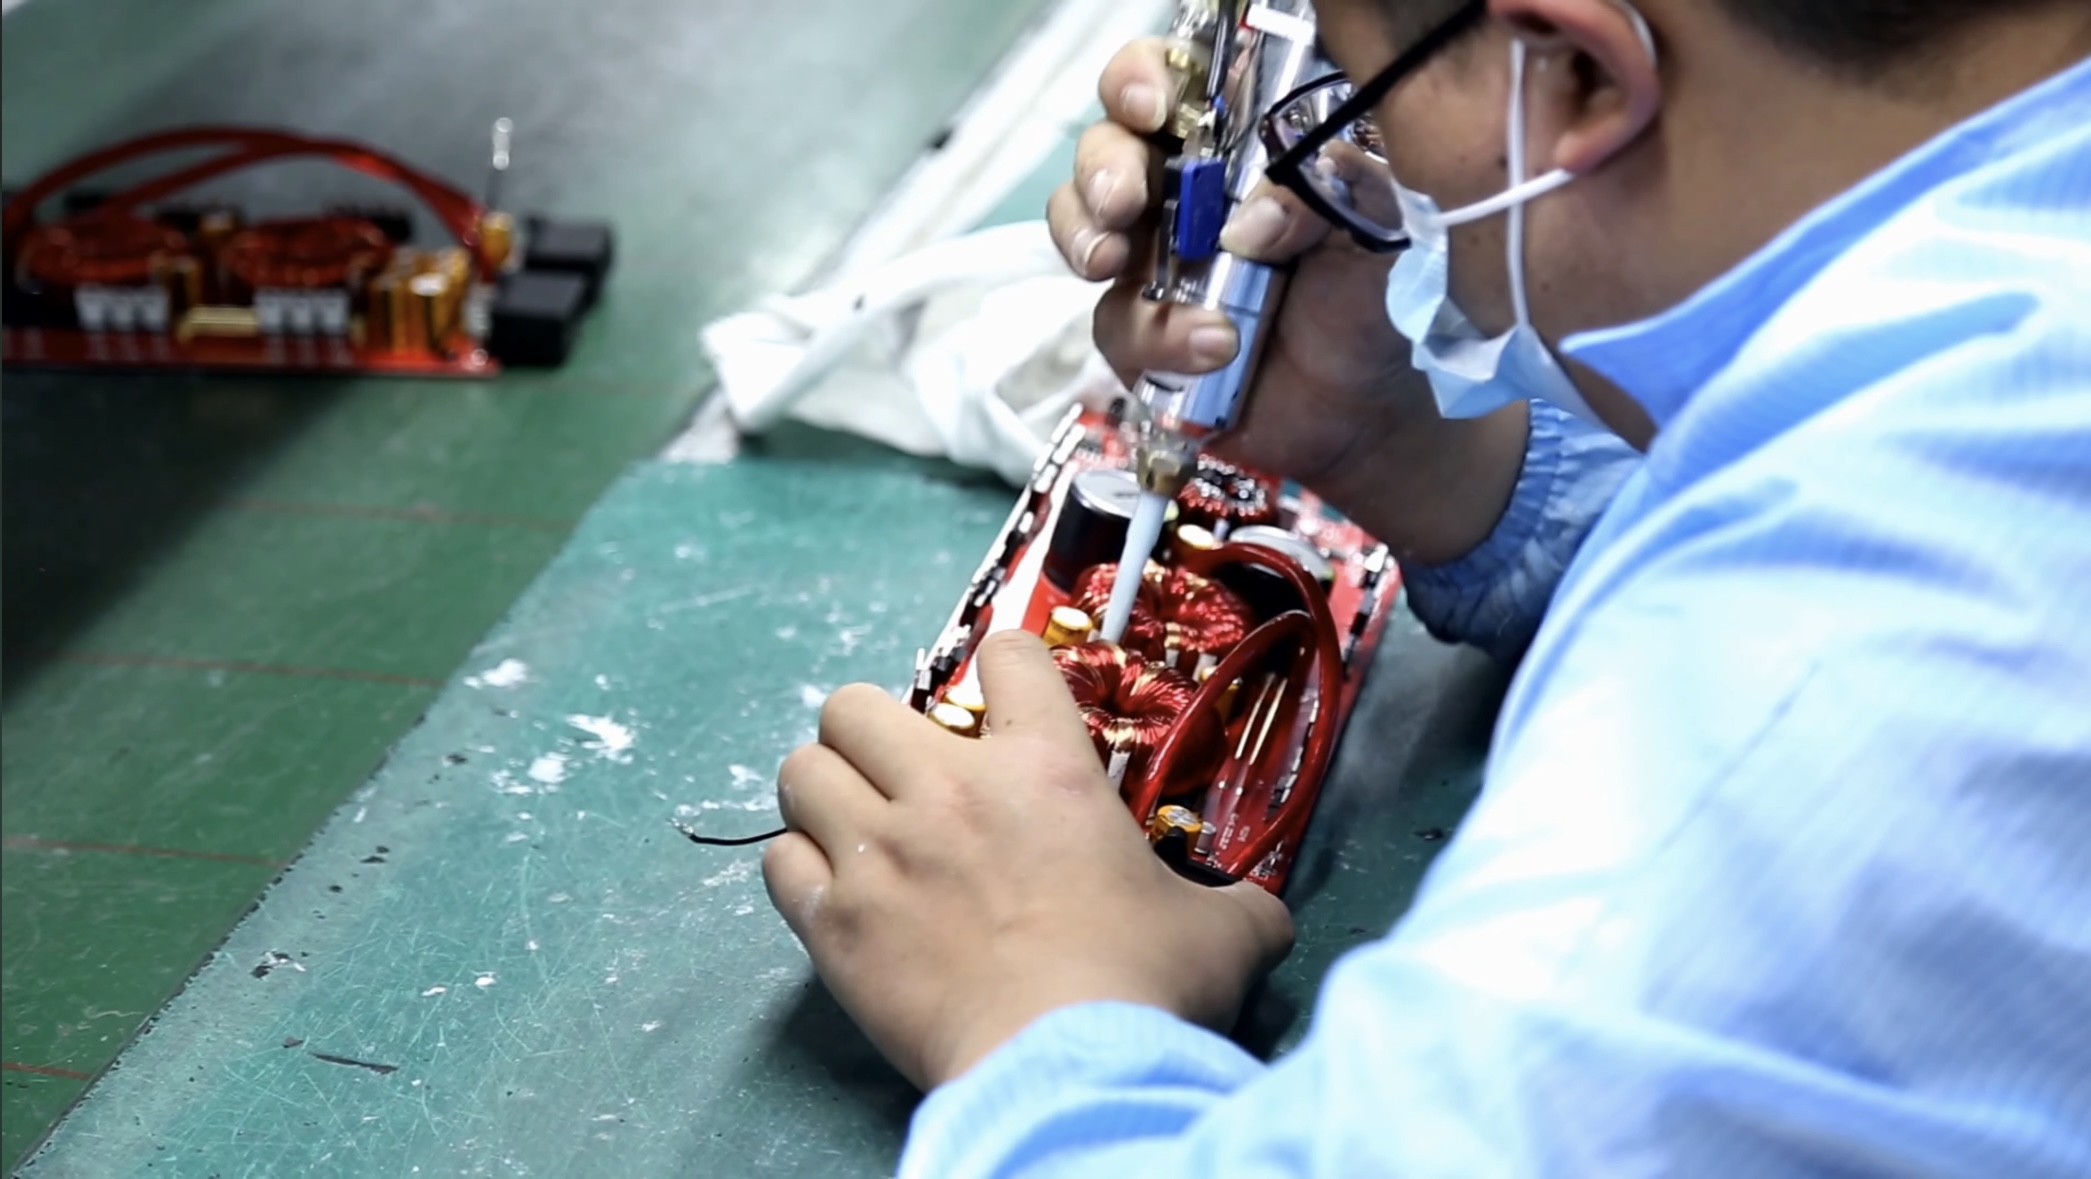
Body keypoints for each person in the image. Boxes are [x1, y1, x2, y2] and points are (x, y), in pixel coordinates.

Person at [763, 0, 2091, 1172]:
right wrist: (1419, 447)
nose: (1355, 168)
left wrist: (1038, 1015)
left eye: (1356, 99)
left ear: (1572, 70)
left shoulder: (1811, 698)